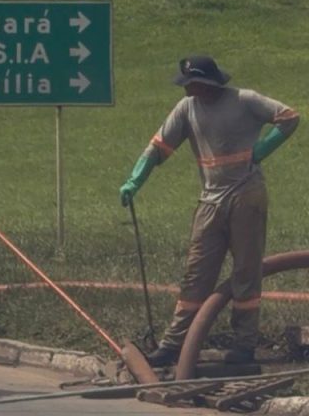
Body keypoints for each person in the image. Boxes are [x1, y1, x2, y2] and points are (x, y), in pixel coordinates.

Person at [119, 55, 299, 367]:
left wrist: (263, 149)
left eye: (190, 83)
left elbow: (289, 117)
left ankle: (243, 346)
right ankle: (174, 345)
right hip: (210, 200)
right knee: (196, 275)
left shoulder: (244, 100)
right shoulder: (186, 109)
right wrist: (134, 180)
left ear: (205, 83)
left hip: (247, 194)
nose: (185, 87)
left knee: (246, 272)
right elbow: (158, 147)